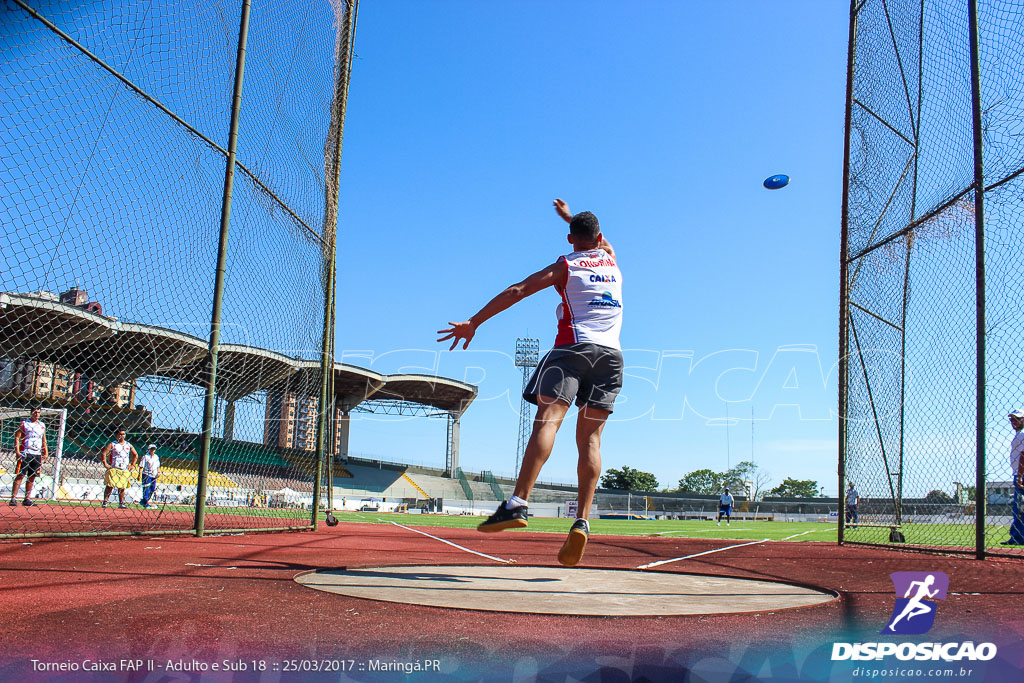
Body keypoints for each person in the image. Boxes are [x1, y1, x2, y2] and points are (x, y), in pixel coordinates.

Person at [437, 198, 623, 567]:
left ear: (571, 239)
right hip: (612, 357)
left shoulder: (565, 265)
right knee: (591, 439)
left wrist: (474, 322)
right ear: (599, 236)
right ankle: (582, 520)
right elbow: (599, 239)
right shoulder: (612, 259)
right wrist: (573, 218)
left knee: (549, 418)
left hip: (573, 348)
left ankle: (518, 502)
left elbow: (519, 290)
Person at [9, 406, 47, 507]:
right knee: (21, 475)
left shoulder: (42, 425)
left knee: (32, 477)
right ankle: (13, 498)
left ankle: (27, 498)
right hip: (26, 452)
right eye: (35, 412)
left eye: (38, 412)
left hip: (37, 453)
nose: (36, 414)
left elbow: (44, 440)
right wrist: (17, 451)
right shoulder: (24, 423)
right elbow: (17, 437)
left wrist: (45, 452)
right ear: (31, 413)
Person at [100, 429, 138, 509]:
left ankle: (121, 503)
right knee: (110, 486)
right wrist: (105, 463)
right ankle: (105, 501)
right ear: (117, 435)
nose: (122, 436)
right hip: (114, 468)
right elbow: (104, 453)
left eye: (123, 434)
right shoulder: (113, 444)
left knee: (122, 487)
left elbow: (135, 455)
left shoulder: (128, 445)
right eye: (120, 434)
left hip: (124, 469)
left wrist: (133, 465)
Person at [1003, 409, 1024, 546]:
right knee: (1019, 507)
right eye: (1011, 420)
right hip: (1018, 473)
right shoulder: (1019, 435)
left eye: (1017, 419)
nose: (1013, 422)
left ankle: (1018, 537)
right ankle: (1016, 536)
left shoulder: (1021, 435)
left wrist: (1020, 476)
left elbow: (1023, 455)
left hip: (1021, 474)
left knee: (1020, 507)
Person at [140, 444, 160, 508]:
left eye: (154, 449)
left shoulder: (156, 457)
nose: (153, 450)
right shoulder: (145, 457)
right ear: (149, 449)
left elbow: (158, 465)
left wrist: (158, 472)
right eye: (152, 449)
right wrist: (140, 474)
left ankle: (145, 501)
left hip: (154, 475)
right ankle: (146, 502)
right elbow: (141, 466)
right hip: (147, 474)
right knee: (146, 489)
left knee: (152, 489)